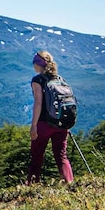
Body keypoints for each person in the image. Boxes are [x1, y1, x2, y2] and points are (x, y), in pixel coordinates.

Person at [27, 50, 74, 185]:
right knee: (61, 156)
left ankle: (32, 186)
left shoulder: (38, 80)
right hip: (60, 123)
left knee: (36, 156)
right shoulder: (60, 80)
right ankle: (69, 183)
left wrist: (34, 125)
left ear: (38, 64)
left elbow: (38, 103)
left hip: (43, 124)